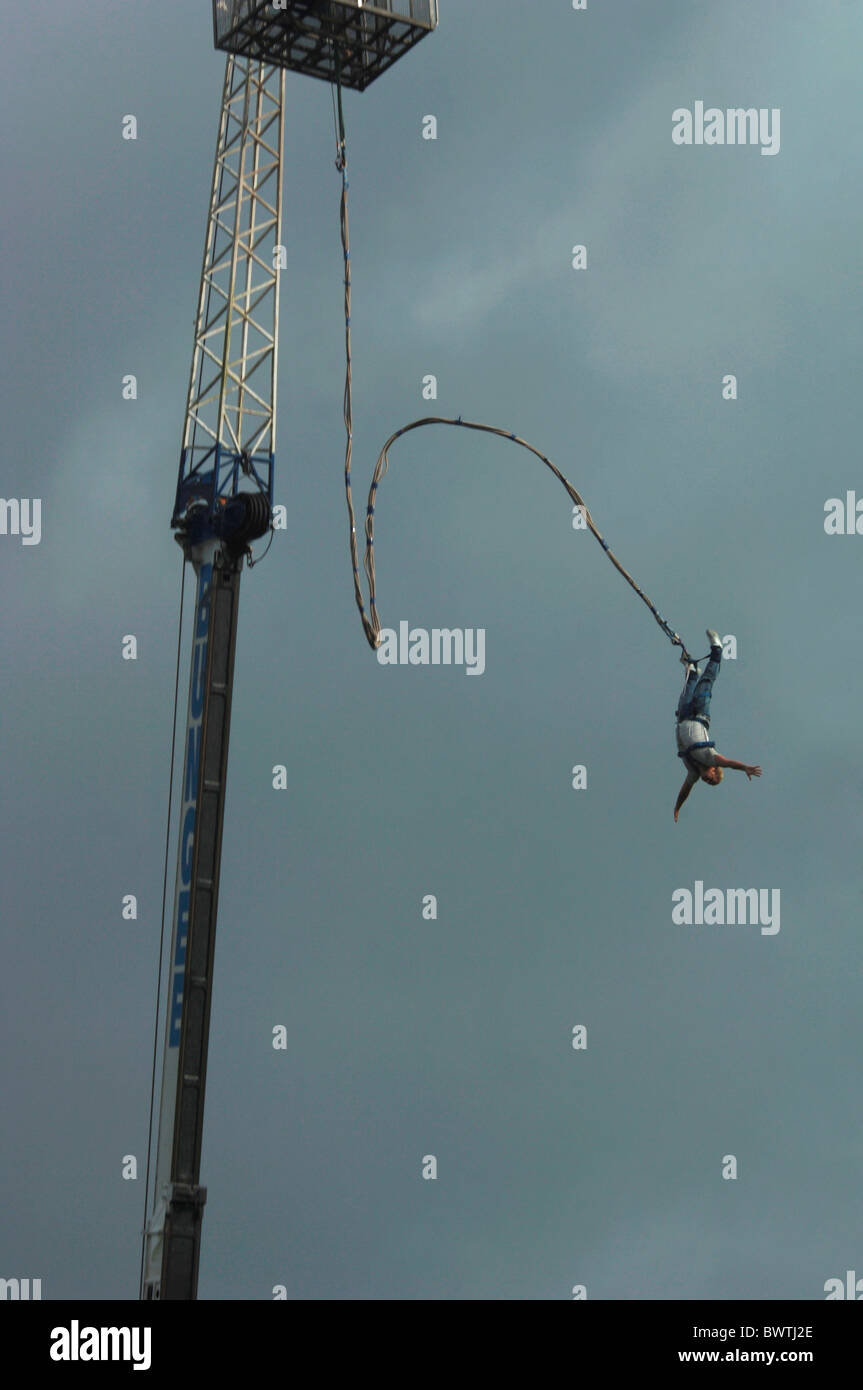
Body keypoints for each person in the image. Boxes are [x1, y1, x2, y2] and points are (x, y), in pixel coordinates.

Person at [674, 630, 762, 822]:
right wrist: (745, 767)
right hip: (700, 715)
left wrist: (677, 807)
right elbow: (729, 763)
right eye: (712, 779)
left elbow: (685, 790)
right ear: (714, 770)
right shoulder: (711, 758)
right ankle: (717, 650)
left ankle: (691, 669)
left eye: (708, 783)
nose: (707, 780)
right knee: (706, 683)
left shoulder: (692, 772)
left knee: (689, 686)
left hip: (684, 717)